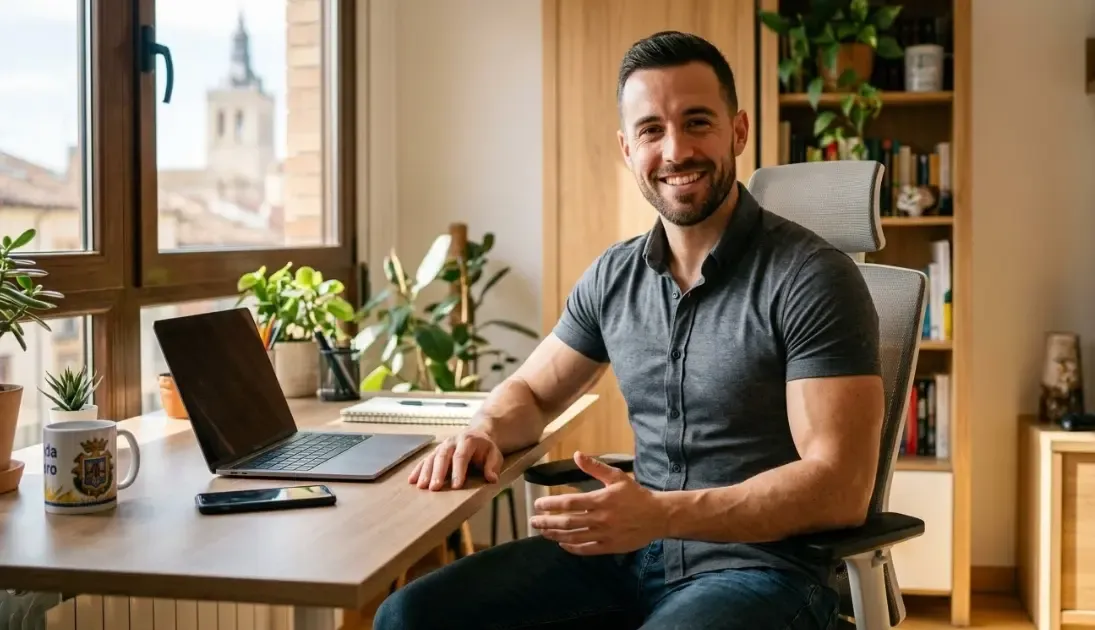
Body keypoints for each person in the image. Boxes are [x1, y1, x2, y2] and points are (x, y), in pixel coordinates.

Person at [373, 30, 884, 630]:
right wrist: (484, 429)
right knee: (410, 616)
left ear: (738, 131)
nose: (675, 151)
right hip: (628, 556)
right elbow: (533, 394)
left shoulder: (811, 279)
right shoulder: (614, 276)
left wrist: (662, 515)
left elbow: (838, 486)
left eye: (698, 123)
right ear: (626, 148)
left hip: (762, 570)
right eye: (651, 130)